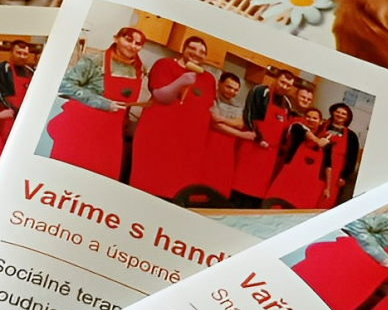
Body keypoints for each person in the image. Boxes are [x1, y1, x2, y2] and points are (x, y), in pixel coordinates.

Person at [46, 26, 145, 179]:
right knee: (66, 177)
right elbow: (65, 85)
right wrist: (103, 103)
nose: (132, 46)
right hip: (80, 130)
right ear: (116, 38)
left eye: (138, 44)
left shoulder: (138, 68)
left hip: (110, 135)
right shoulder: (94, 61)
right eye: (128, 40)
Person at [128, 35, 217, 200]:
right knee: (146, 185)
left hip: (187, 145)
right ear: (183, 49)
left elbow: (207, 108)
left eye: (202, 52)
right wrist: (181, 81)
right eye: (192, 48)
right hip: (158, 137)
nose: (197, 53)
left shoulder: (209, 79)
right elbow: (160, 96)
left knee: (175, 193)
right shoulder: (165, 65)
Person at [233, 70, 309, 205]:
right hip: (252, 147)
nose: (284, 87)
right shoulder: (260, 91)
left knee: (257, 191)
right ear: (275, 79)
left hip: (270, 155)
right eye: (282, 82)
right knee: (240, 186)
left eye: (288, 85)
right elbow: (249, 114)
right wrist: (259, 138)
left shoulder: (287, 103)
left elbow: (285, 130)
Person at [200, 72, 254, 200]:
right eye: (229, 87)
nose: (232, 92)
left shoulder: (237, 105)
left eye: (236, 90)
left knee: (220, 184)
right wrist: (241, 134)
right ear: (220, 83)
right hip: (208, 144)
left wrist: (221, 119)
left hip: (227, 150)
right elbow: (214, 123)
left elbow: (240, 123)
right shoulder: (212, 98)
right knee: (202, 179)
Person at [265, 107, 331, 208]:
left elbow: (328, 165)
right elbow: (304, 131)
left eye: (314, 118)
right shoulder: (297, 129)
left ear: (320, 122)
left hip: (308, 185)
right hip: (288, 178)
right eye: (308, 117)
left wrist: (328, 187)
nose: (311, 119)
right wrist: (318, 141)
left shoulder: (326, 142)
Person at [314, 102, 360, 209]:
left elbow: (352, 158)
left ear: (347, 118)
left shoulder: (351, 136)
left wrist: (344, 176)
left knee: (327, 198)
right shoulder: (321, 127)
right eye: (338, 112)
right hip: (316, 165)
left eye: (343, 114)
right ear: (332, 112)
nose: (340, 115)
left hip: (336, 172)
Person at [0, 38, 38, 138]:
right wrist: (12, 110)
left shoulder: (31, 70)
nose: (22, 56)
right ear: (11, 52)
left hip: (27, 114)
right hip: (8, 114)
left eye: (25, 54)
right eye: (19, 53)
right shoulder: (1, 68)